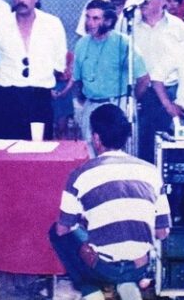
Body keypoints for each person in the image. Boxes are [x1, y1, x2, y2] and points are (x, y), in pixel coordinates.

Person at [49, 103, 171, 300]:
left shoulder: (80, 174)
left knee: (56, 232)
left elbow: (63, 229)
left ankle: (91, 292)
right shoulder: (152, 172)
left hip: (102, 268)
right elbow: (162, 232)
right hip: (139, 266)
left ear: (97, 138)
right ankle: (128, 285)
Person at [56, 0, 149, 156]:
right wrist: (83, 101)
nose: (90, 23)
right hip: (90, 107)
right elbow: (77, 80)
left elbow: (144, 79)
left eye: (95, 18)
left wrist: (131, 100)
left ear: (108, 21)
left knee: (120, 156)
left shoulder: (123, 43)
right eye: (88, 17)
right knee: (91, 155)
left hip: (117, 106)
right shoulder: (81, 44)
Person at [0, 0, 66, 140]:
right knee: (6, 146)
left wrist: (41, 78)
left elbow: (59, 62)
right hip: (7, 95)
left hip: (39, 96)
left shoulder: (52, 24)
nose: (21, 0)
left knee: (39, 148)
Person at [132, 0, 184, 163]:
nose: (143, 2)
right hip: (141, 92)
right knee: (143, 143)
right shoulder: (131, 25)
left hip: (169, 91)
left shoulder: (178, 26)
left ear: (163, 1)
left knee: (170, 144)